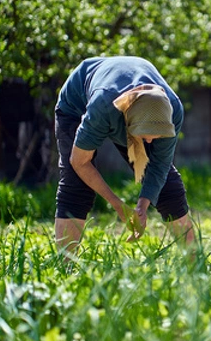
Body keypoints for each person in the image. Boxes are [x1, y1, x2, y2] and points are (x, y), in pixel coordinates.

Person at [54, 56, 195, 259]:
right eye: (144, 135)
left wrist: (142, 206)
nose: (149, 142)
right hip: (77, 104)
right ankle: (64, 266)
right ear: (128, 125)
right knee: (76, 185)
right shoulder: (103, 107)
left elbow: (160, 166)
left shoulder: (173, 110)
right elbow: (79, 162)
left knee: (167, 186)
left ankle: (194, 263)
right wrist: (118, 205)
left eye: (157, 135)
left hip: (128, 108)